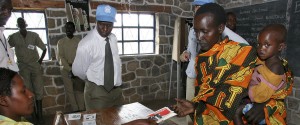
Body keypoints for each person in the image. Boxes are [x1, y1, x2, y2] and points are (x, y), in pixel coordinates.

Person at [173, 3, 257, 124]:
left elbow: (230, 102)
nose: (199, 37)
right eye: (196, 31)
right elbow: (207, 97)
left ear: (220, 28)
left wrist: (263, 104)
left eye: (205, 31)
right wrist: (194, 107)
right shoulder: (202, 58)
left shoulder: (241, 53)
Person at [180, 0, 248, 102]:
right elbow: (191, 49)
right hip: (192, 74)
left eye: (201, 6)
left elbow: (246, 47)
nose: (197, 9)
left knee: (205, 109)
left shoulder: (223, 32)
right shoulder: (192, 30)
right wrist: (186, 53)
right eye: (196, 7)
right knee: (189, 107)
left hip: (210, 78)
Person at [233, 24, 293, 125]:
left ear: (280, 47)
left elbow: (260, 96)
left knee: (236, 112)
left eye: (266, 45)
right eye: (259, 44)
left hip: (265, 111)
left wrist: (245, 92)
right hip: (256, 100)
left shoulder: (275, 68)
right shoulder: (264, 59)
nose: (261, 48)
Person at [72, 4, 122, 110]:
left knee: (118, 120)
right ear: (96, 22)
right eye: (102, 24)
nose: (105, 29)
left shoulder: (113, 38)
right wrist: (92, 81)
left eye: (109, 25)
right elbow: (78, 71)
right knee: (99, 121)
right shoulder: (86, 44)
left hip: (116, 91)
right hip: (97, 93)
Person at [8, 17, 46, 123]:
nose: (21, 24)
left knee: (39, 89)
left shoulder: (34, 35)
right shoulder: (13, 37)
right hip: (23, 67)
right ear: (17, 25)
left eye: (22, 22)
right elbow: (6, 49)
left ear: (26, 24)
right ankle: (33, 117)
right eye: (19, 23)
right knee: (28, 90)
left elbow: (44, 48)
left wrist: (40, 61)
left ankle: (40, 116)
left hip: (35, 65)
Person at [57, 21, 85, 112]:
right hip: (66, 69)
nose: (68, 29)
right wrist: (69, 69)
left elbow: (82, 55)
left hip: (77, 69)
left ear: (74, 29)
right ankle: (75, 110)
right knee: (70, 91)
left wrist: (76, 69)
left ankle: (81, 109)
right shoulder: (61, 42)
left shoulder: (79, 41)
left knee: (79, 90)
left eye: (70, 28)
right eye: (67, 28)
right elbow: (60, 57)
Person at [0, 0, 19, 72]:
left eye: (10, 10)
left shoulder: (2, 35)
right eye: (3, 8)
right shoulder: (13, 36)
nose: (7, 13)